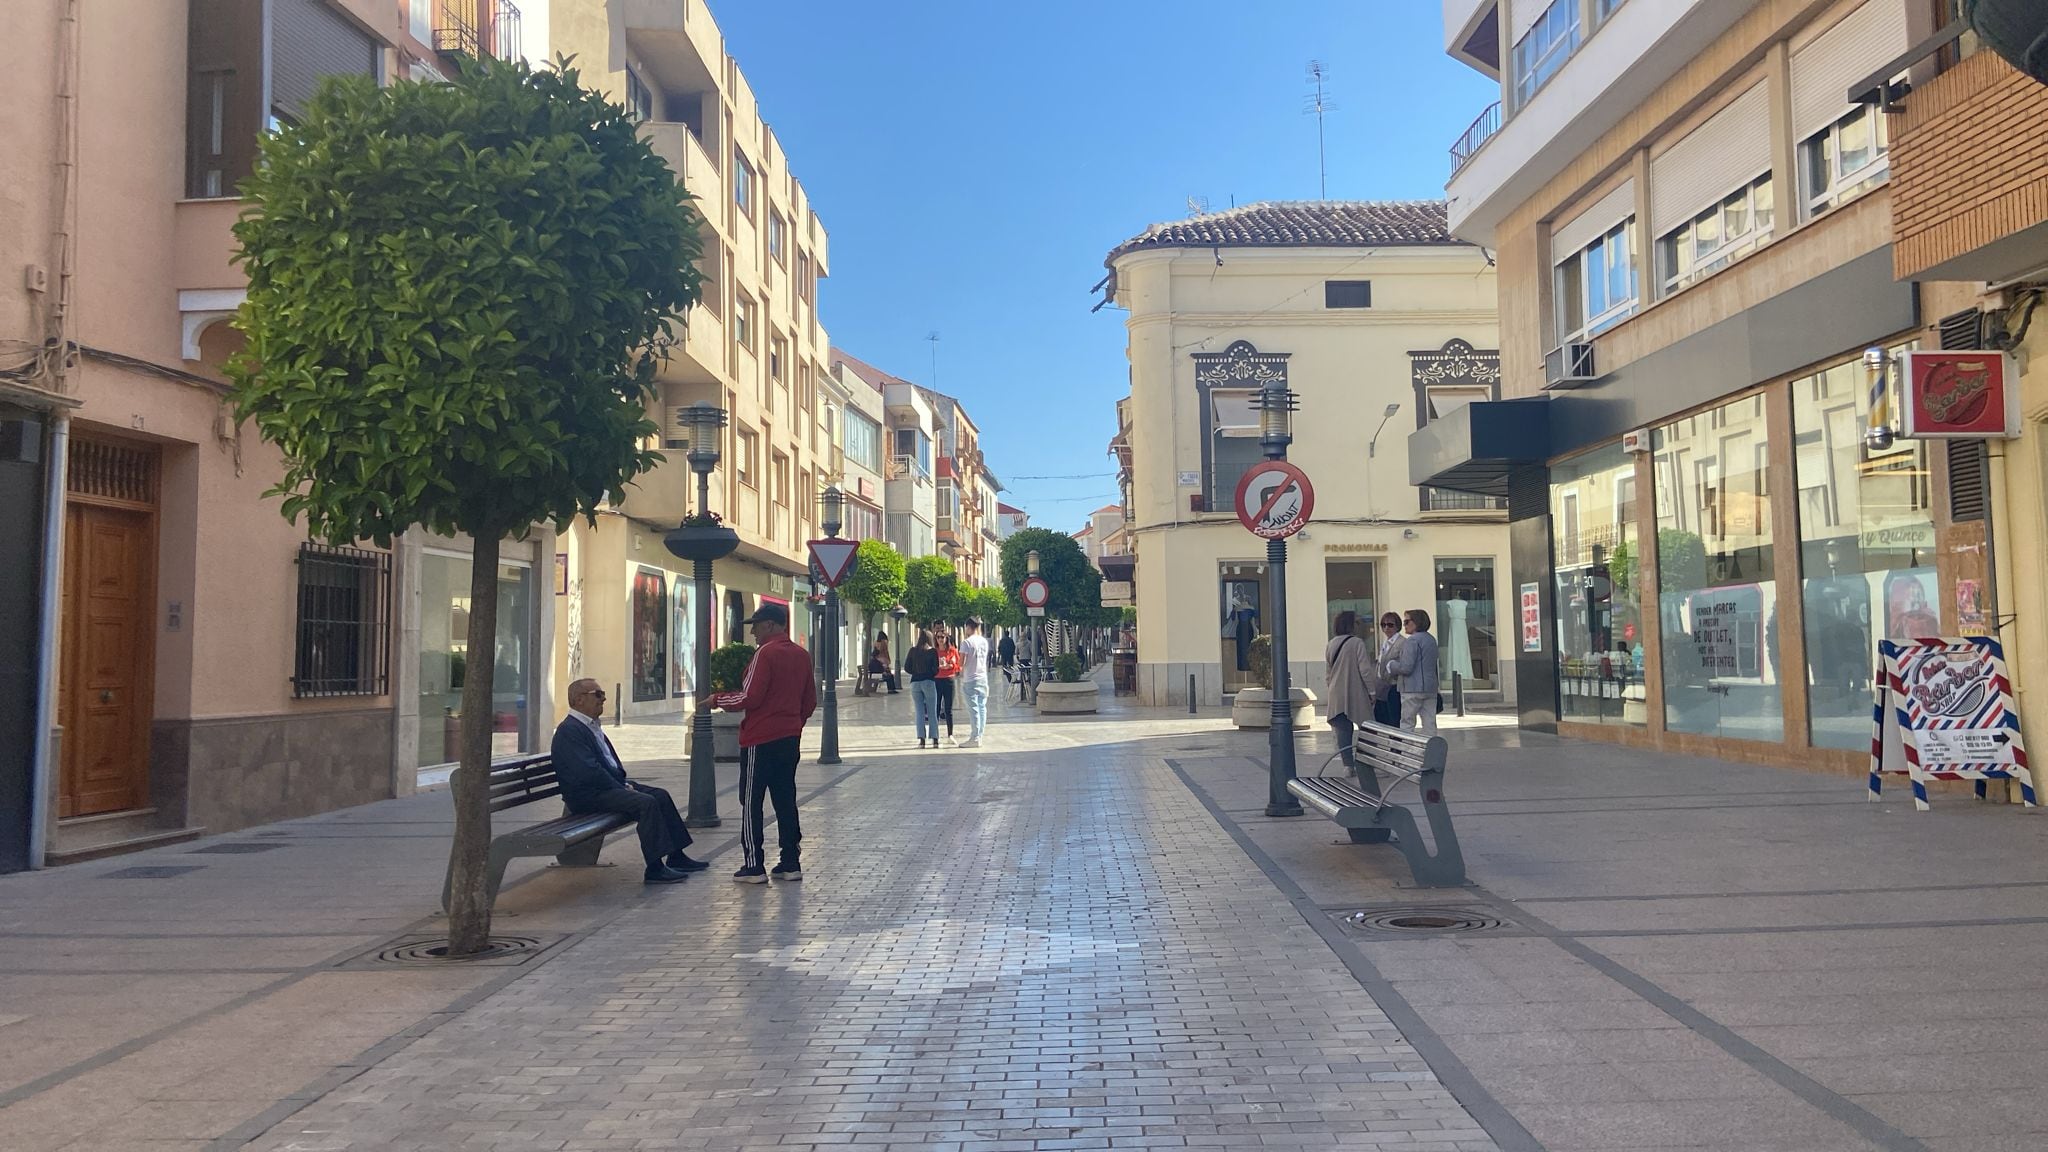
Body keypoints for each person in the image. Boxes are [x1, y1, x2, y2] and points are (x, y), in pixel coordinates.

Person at [552, 679, 707, 885]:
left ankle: (676, 856)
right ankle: (655, 868)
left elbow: (606, 763)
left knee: (659, 795)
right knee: (645, 803)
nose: (604, 698)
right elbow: (589, 772)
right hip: (588, 795)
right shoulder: (570, 730)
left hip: (606, 787)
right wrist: (622, 787)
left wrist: (623, 783)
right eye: (598, 694)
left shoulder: (590, 725)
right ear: (579, 699)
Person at [710, 603, 817, 883]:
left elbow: (750, 697)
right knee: (785, 799)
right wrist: (794, 724)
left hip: (760, 738)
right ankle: (790, 862)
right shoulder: (802, 655)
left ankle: (753, 864)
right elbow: (810, 701)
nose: (753, 632)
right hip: (789, 738)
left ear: (770, 625)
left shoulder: (765, 653)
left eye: (756, 626)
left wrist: (717, 699)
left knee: (751, 800)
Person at [1323, 612, 1378, 775]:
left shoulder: (1331, 644)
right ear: (1351, 625)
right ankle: (1367, 762)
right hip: (1355, 692)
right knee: (1367, 728)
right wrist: (1372, 691)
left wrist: (1333, 687)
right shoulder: (1357, 643)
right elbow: (1365, 670)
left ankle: (1348, 765)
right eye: (1357, 623)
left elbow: (1328, 673)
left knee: (1342, 731)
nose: (1359, 626)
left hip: (1336, 693)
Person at [1383, 608, 1441, 733]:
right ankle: (1431, 750)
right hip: (1430, 688)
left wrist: (1392, 665)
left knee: (1407, 723)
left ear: (1416, 622)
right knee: (1430, 723)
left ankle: (1407, 750)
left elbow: (1406, 667)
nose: (1404, 625)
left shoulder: (1412, 641)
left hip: (1411, 688)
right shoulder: (1431, 640)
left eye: (1407, 622)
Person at [957, 616, 991, 748]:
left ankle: (975, 737)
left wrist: (957, 664)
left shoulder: (966, 643)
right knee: (982, 707)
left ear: (969, 627)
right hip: (983, 678)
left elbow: (962, 662)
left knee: (974, 709)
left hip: (970, 679)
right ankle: (980, 735)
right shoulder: (984, 641)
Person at [906, 629, 940, 748]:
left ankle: (922, 740)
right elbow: (936, 669)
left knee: (919, 712)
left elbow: (907, 667)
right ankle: (935, 739)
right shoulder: (932, 652)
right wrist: (929, 673)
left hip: (915, 682)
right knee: (932, 711)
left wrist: (915, 672)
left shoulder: (913, 651)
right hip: (928, 682)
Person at [1372, 612, 1404, 726]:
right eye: (1383, 625)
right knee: (1381, 719)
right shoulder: (1385, 642)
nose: (1386, 628)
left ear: (1397, 626)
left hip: (1394, 687)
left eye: (1390, 625)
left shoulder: (1402, 642)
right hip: (1382, 688)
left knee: (1394, 720)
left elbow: (1403, 664)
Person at [933, 621, 961, 742]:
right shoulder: (934, 651)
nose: (940, 639)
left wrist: (950, 665)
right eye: (938, 637)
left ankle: (950, 734)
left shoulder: (952, 651)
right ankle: (935, 735)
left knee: (948, 709)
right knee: (937, 707)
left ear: (946, 638)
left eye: (942, 637)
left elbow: (958, 666)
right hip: (937, 680)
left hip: (949, 679)